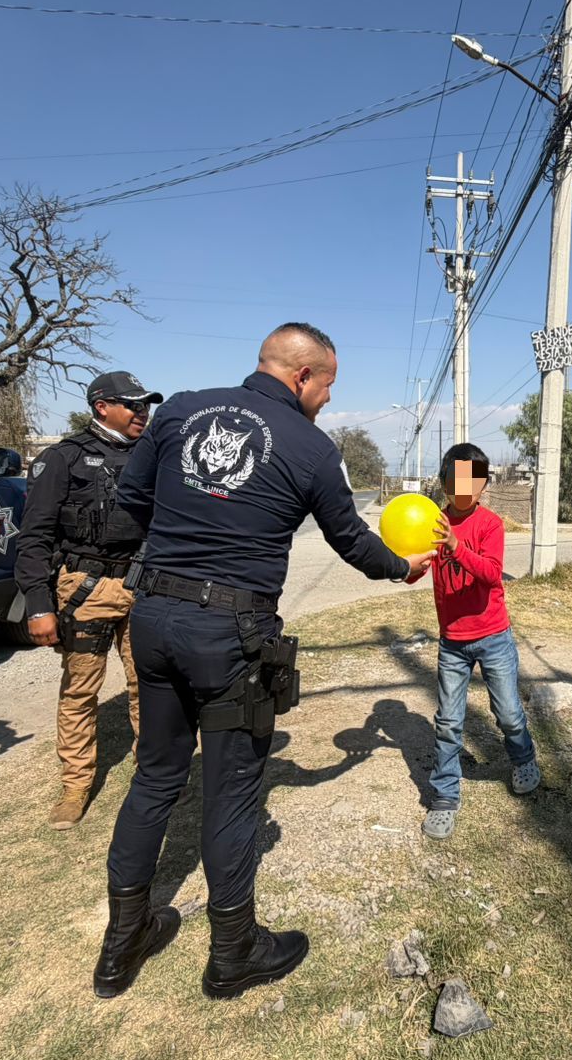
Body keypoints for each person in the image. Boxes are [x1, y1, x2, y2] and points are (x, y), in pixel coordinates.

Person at [90, 323, 436, 1001]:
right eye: (329, 386)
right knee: (230, 793)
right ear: (304, 376)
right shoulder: (309, 446)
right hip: (230, 635)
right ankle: (234, 950)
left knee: (156, 778)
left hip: (154, 618)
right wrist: (404, 568)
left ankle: (120, 942)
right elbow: (351, 541)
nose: (329, 402)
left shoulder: (182, 409)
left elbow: (128, 506)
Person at [16, 370, 163, 830]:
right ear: (102, 406)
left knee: (150, 684)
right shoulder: (62, 459)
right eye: (133, 405)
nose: (143, 413)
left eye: (147, 405)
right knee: (81, 690)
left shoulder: (155, 456)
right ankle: (76, 783)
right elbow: (34, 537)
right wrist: (38, 606)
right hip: (87, 588)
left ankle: (152, 771)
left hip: (144, 584)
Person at [409, 443, 539, 840]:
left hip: (494, 636)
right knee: (448, 722)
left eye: (472, 480)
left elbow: (491, 574)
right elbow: (416, 570)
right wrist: (402, 566)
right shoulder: (432, 522)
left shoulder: (490, 525)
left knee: (508, 713)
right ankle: (445, 798)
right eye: (454, 480)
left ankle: (524, 759)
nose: (463, 488)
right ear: (445, 483)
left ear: (483, 484)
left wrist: (455, 546)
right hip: (452, 641)